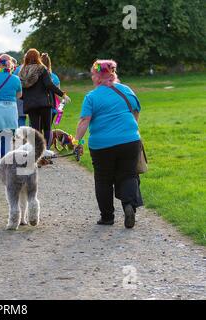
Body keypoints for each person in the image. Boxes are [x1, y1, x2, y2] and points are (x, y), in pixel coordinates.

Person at [75, 59, 143, 229]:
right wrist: (132, 131)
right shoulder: (126, 90)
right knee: (128, 174)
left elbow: (84, 121)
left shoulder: (92, 97)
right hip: (130, 140)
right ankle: (129, 206)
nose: (92, 77)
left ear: (98, 76)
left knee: (103, 179)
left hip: (102, 145)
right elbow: (135, 112)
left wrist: (78, 142)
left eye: (93, 74)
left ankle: (107, 217)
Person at [19, 49, 70, 151]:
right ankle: (45, 151)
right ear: (38, 57)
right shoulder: (42, 69)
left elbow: (21, 92)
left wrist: (27, 98)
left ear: (26, 58)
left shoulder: (22, 72)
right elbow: (49, 84)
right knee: (47, 128)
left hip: (30, 105)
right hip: (44, 103)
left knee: (35, 130)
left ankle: (37, 151)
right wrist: (62, 95)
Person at [41, 53, 61, 148]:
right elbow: (58, 94)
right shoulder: (55, 77)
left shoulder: (37, 76)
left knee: (37, 129)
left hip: (38, 105)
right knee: (47, 129)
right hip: (51, 106)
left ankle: (39, 150)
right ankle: (47, 150)